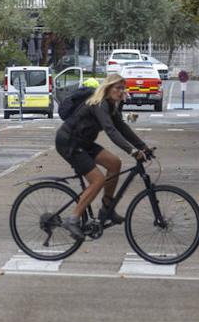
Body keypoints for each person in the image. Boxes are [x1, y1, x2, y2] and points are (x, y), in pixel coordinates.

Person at [53, 73, 153, 241]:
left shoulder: (111, 105)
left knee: (115, 163)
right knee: (97, 180)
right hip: (69, 143)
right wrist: (132, 151)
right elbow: (110, 130)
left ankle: (107, 209)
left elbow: (121, 127)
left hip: (83, 143)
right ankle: (73, 219)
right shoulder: (99, 104)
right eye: (117, 88)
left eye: (123, 88)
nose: (121, 92)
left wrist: (143, 147)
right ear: (108, 88)